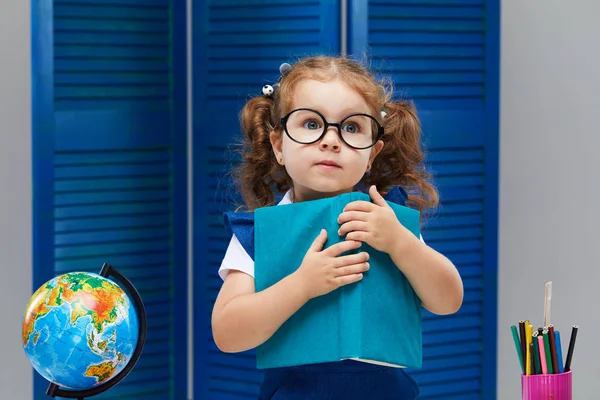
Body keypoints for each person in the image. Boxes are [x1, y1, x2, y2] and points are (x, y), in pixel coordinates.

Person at [211, 55, 464, 399]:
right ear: (278, 145)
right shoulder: (256, 235)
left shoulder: (388, 220)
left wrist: (402, 244)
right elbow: (227, 333)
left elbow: (448, 300)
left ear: (372, 154)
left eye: (351, 127)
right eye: (311, 124)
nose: (331, 140)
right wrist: (302, 284)